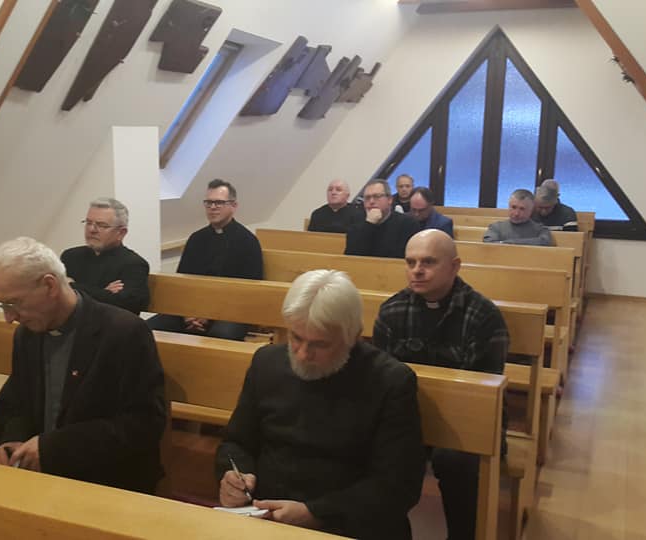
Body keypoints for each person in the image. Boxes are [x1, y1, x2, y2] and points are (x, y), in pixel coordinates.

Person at [217, 270, 425, 540]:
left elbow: (397, 485)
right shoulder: (266, 362)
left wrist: (315, 513)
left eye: (319, 344)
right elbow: (237, 442)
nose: (303, 354)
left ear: (353, 336)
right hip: (266, 518)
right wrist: (234, 477)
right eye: (296, 338)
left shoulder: (390, 381)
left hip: (348, 524)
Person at [0, 237, 166, 493]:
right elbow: (17, 401)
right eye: (2, 305)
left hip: (104, 479)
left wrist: (53, 448)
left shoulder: (124, 332)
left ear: (50, 285)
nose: (8, 318)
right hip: (36, 472)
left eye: (13, 303)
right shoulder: (27, 333)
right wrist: (12, 440)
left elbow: (144, 424)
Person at [374, 230, 509, 540]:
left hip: (469, 421)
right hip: (408, 414)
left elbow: (482, 393)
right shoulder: (392, 310)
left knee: (456, 461)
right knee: (379, 450)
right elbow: (382, 378)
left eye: (428, 262)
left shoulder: (483, 315)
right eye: (410, 262)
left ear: (454, 266)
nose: (417, 270)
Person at [147, 179, 263, 341]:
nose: (213, 207)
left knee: (221, 335)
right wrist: (188, 314)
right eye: (208, 203)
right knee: (147, 329)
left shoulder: (248, 241)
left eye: (219, 203)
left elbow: (249, 290)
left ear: (233, 206)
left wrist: (209, 315)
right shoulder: (196, 239)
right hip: (191, 309)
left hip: (232, 311)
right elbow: (182, 282)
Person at [61, 197, 150, 314]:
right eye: (88, 223)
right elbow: (56, 296)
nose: (92, 229)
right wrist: (104, 293)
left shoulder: (134, 264)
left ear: (121, 233)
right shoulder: (70, 256)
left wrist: (72, 286)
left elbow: (124, 306)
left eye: (102, 225)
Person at [345, 179, 420, 259]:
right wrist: (369, 224)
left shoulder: (408, 224)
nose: (371, 201)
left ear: (389, 199)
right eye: (367, 198)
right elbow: (350, 257)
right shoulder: (356, 222)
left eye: (377, 196)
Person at [483, 189, 553, 246]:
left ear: (531, 210)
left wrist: (509, 243)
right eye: (513, 207)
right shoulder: (496, 227)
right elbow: (489, 244)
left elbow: (546, 242)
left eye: (522, 209)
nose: (516, 213)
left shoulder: (540, 229)